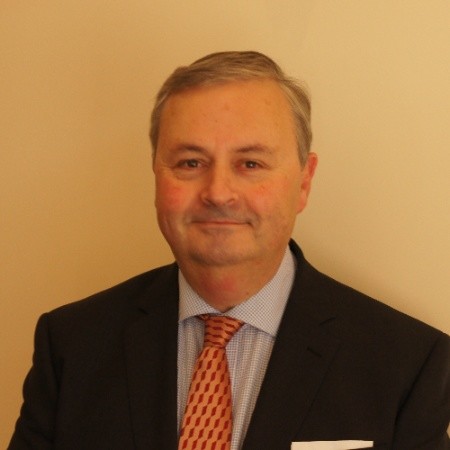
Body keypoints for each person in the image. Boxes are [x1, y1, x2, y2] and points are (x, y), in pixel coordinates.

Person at [9, 51, 449, 450]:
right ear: (157, 175)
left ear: (304, 182)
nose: (218, 192)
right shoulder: (72, 345)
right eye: (191, 162)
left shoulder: (407, 364)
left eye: (250, 163)